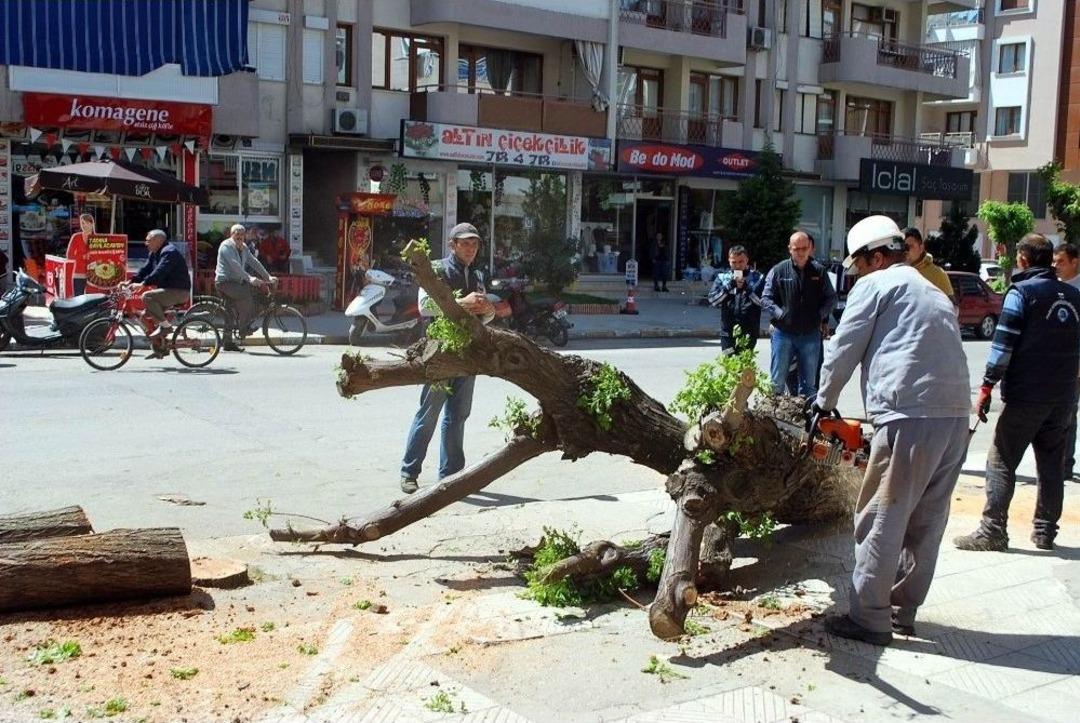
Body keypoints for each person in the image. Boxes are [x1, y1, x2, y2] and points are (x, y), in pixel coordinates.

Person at [813, 215, 970, 646]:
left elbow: (844, 346)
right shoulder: (932, 289)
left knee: (881, 515)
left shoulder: (876, 285)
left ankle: (869, 618)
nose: (856, 275)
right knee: (926, 521)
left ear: (877, 257)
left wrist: (822, 403)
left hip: (909, 415)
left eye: (859, 265)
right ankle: (903, 611)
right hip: (955, 417)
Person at [954, 234, 1080, 552]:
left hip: (1026, 395)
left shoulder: (1021, 293)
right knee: (1051, 465)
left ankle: (992, 530)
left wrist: (986, 387)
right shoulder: (1073, 296)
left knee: (1001, 458)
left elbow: (1002, 348)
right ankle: (1045, 532)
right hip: (1064, 396)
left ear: (1023, 259)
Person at [399, 223, 495, 495]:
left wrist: (488, 310)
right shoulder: (437, 270)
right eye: (465, 243)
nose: (470, 248)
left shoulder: (476, 275)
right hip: (440, 353)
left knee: (458, 415)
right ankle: (409, 471)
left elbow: (482, 317)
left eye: (474, 244)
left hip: (468, 353)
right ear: (452, 245)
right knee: (429, 413)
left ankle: (452, 476)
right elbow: (425, 307)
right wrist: (463, 303)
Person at [762, 230, 837, 397]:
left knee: (809, 385)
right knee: (777, 383)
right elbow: (766, 299)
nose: (801, 252)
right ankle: (773, 420)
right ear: (790, 249)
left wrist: (819, 315)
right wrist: (781, 314)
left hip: (810, 335)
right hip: (783, 334)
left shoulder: (819, 271)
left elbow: (831, 298)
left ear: (810, 248)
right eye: (797, 249)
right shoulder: (779, 270)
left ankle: (807, 419)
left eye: (805, 248)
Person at [125, 230, 191, 358]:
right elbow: (145, 269)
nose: (146, 243)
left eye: (148, 240)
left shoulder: (169, 252)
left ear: (158, 240)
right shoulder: (154, 253)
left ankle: (165, 327)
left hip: (178, 291)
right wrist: (130, 281)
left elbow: (160, 272)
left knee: (147, 296)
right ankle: (162, 346)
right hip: (168, 291)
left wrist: (143, 284)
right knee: (144, 316)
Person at [215, 224, 276, 352]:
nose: (239, 237)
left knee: (229, 314)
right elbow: (235, 266)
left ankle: (228, 343)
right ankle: (243, 328)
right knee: (246, 296)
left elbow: (254, 262)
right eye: (237, 235)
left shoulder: (244, 247)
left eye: (242, 235)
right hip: (225, 282)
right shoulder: (226, 246)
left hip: (236, 281)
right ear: (231, 235)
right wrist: (250, 279)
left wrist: (268, 277)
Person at [1053, 242, 1080, 481]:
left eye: (1061, 261)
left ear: (1075, 262)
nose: (1055, 266)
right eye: (1054, 261)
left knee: (1069, 413)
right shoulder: (1055, 288)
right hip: (1055, 364)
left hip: (1075, 364)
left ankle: (1065, 464)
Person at [708, 245, 765, 353]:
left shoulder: (758, 278)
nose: (737, 265)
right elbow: (712, 300)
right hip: (727, 332)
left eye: (741, 262)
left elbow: (763, 303)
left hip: (749, 330)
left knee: (744, 367)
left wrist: (747, 290)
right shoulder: (722, 277)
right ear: (729, 261)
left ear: (747, 260)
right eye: (734, 262)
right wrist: (729, 287)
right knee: (729, 364)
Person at [903, 227, 955, 303]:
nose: (905, 251)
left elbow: (952, 307)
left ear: (921, 248)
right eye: (903, 247)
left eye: (910, 246)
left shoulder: (938, 274)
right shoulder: (897, 272)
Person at [65, 213, 96, 296]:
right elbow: (69, 254)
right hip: (78, 273)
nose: (84, 225)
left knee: (91, 300)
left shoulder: (98, 238)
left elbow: (101, 255)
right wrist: (83, 257)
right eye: (82, 223)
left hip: (94, 275)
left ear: (92, 224)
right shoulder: (76, 237)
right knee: (78, 298)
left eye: (87, 223)